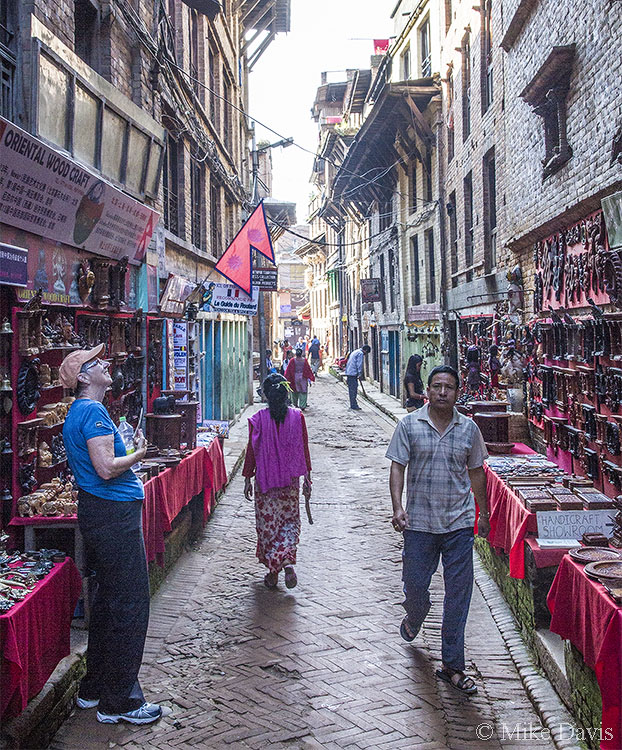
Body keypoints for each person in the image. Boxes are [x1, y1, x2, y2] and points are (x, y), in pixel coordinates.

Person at [60, 345, 162, 725]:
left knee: (108, 602)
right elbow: (105, 467)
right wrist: (137, 455)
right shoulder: (91, 410)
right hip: (112, 514)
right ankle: (120, 701)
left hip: (99, 512)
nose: (105, 363)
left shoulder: (80, 412)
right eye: (96, 362)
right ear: (84, 378)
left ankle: (94, 689)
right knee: (131, 604)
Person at [386, 365, 490, 696]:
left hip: (458, 524)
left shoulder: (469, 430)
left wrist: (483, 513)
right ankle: (416, 613)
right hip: (419, 524)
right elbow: (397, 467)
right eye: (437, 386)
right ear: (426, 391)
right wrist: (397, 507)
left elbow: (476, 472)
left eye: (449, 387)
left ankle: (453, 666)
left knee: (459, 595)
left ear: (457, 393)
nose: (443, 392)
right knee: (414, 585)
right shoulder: (409, 425)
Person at [243, 374, 312, 589]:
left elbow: (251, 453)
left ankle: (273, 571)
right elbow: (304, 448)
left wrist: (247, 478)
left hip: (265, 482)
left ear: (265, 395)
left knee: (268, 526)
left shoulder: (258, 420)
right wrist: (308, 477)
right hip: (290, 483)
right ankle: (287, 563)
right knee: (289, 522)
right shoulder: (297, 417)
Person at [344, 344, 371, 410]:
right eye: (366, 353)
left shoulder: (355, 351)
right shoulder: (360, 354)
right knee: (353, 389)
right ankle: (354, 405)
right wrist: (359, 374)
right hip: (353, 373)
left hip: (349, 372)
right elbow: (359, 364)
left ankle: (353, 404)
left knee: (351, 389)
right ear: (366, 350)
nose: (365, 355)